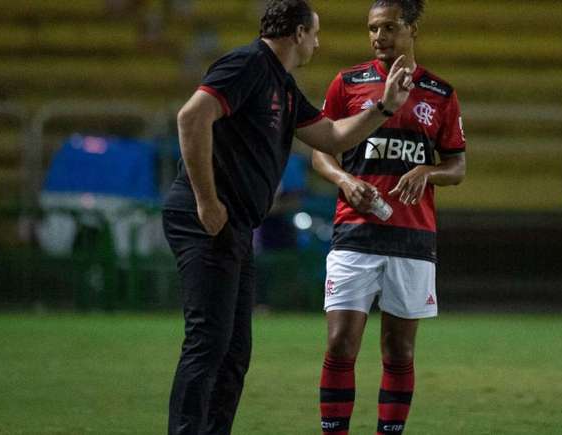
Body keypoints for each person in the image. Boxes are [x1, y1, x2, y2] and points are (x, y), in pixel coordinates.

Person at [161, 0, 416, 432]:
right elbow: (191, 117)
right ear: (298, 33)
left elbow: (332, 134)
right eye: (314, 34)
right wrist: (206, 201)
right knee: (208, 345)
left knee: (233, 351)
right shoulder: (248, 64)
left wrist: (385, 107)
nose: (317, 42)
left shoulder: (282, 84)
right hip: (206, 219)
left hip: (235, 224)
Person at [311, 1, 467, 434]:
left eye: (389, 27)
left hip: (412, 238)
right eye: (372, 29)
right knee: (340, 342)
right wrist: (344, 180)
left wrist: (427, 171)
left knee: (399, 352)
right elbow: (320, 152)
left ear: (413, 28)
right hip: (354, 233)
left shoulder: (439, 93)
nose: (379, 36)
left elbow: (457, 167)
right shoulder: (348, 83)